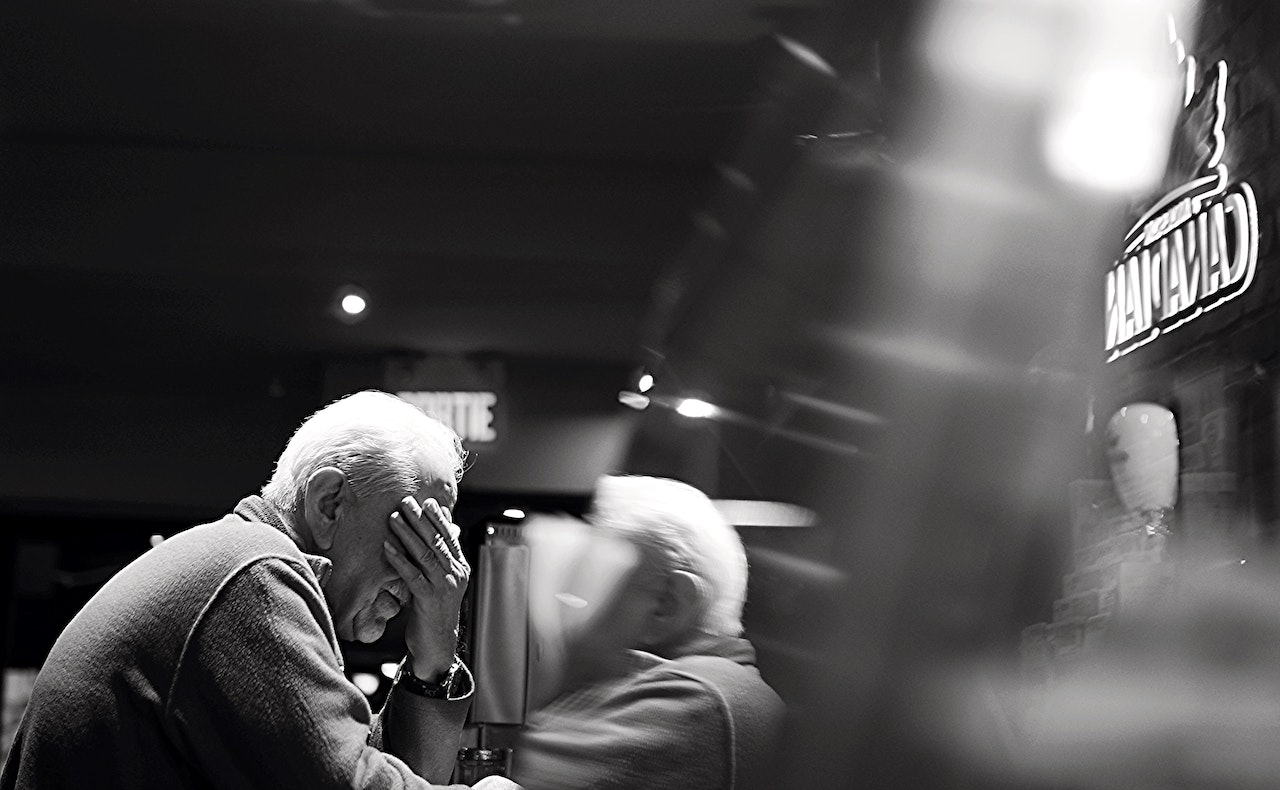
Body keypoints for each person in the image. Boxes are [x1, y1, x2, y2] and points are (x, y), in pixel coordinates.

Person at [2, 390, 512, 789]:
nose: (435, 571)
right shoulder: (251, 575)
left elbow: (378, 770)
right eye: (417, 534)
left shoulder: (245, 563)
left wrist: (435, 654)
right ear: (329, 503)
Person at [512, 475, 784, 790]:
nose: (577, 606)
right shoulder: (730, 686)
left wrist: (559, 652)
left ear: (666, 603)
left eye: (599, 578)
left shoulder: (691, 699)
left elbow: (541, 768)